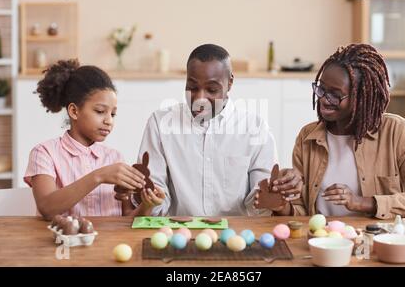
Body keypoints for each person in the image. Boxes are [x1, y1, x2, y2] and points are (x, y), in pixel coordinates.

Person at [118, 44, 301, 216]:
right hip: (178, 233)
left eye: (212, 90)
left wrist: (271, 194)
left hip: (237, 234)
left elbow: (259, 204)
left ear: (230, 83)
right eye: (192, 88)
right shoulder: (160, 123)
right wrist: (150, 197)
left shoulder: (255, 128)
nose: (200, 98)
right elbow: (157, 199)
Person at [259, 43, 405, 219]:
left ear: (361, 97)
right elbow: (302, 212)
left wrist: (362, 202)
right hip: (322, 240)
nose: (323, 99)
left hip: (377, 241)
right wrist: (281, 205)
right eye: (321, 89)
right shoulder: (308, 137)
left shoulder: (396, 132)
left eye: (335, 95)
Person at [24, 59, 164, 219]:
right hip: (63, 243)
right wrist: (99, 176)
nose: (109, 121)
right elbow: (47, 207)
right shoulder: (44, 153)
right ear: (74, 111)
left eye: (113, 114)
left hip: (111, 244)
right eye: (100, 111)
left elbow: (126, 219)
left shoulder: (114, 158)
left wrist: (147, 205)